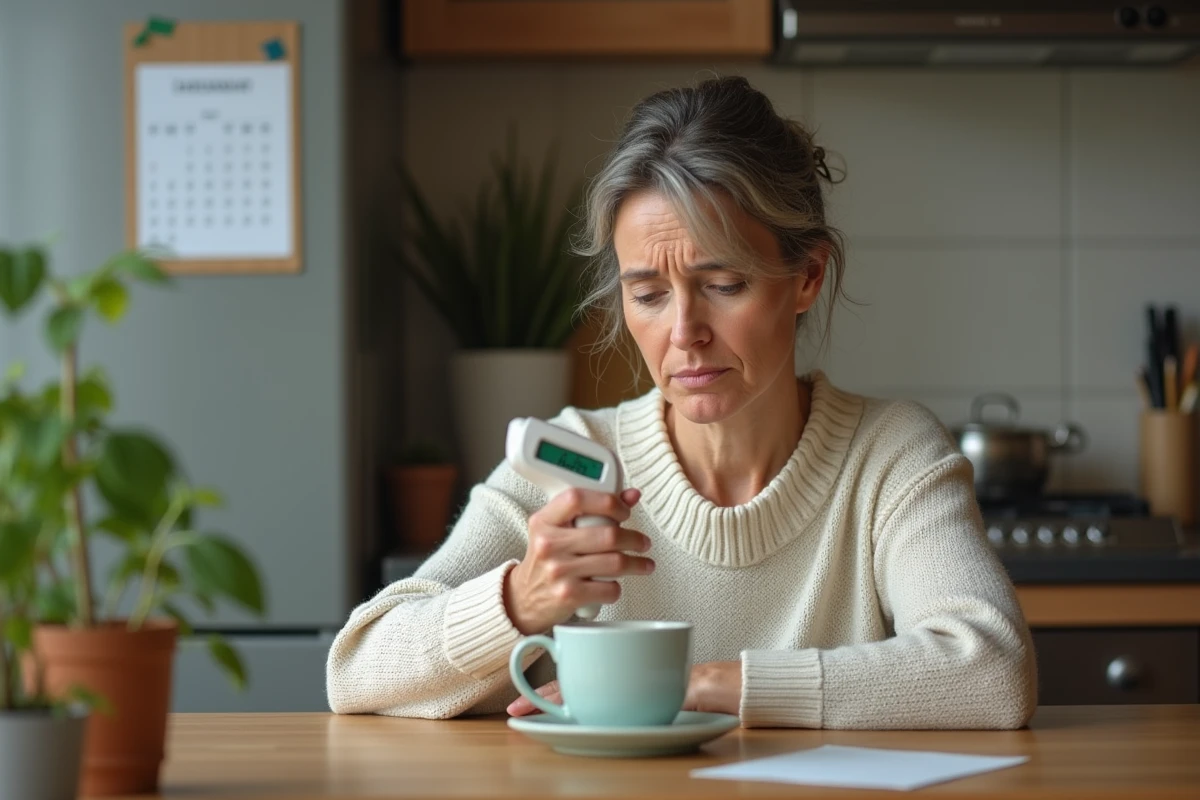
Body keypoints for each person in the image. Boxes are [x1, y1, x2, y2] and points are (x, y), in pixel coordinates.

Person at [326, 75, 1037, 730]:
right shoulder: (576, 460)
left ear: (807, 276)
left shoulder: (890, 454)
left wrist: (697, 686)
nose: (685, 334)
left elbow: (993, 671)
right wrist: (521, 600)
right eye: (648, 294)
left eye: (724, 284)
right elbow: (356, 668)